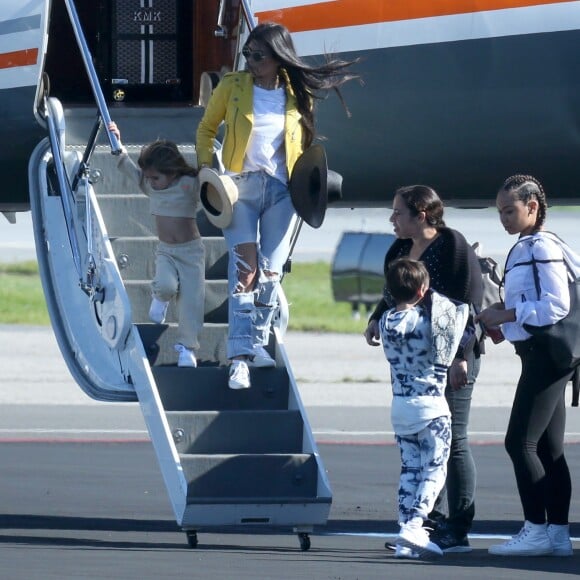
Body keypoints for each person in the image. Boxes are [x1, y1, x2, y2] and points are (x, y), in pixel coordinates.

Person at [196, 22, 359, 389]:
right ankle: (238, 358)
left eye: (258, 56)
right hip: (239, 189)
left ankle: (257, 341)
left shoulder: (296, 92)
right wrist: (207, 165)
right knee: (245, 272)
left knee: (270, 273)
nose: (250, 61)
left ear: (277, 57)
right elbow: (206, 129)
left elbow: (304, 142)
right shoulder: (232, 87)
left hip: (283, 191)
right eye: (247, 55)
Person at [364, 185, 483, 553]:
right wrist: (376, 318)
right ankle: (424, 522)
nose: (392, 219)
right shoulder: (400, 249)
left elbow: (469, 302)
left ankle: (457, 528)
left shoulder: (452, 246)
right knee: (423, 449)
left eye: (399, 213)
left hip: (454, 356)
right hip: (418, 358)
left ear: (422, 215)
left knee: (453, 441)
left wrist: (462, 355)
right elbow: (391, 292)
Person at [475, 174, 575, 557]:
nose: (503, 218)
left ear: (532, 207)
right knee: (549, 449)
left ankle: (536, 529)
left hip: (545, 357)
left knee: (519, 442)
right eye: (500, 211)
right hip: (548, 355)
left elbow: (555, 306)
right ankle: (557, 536)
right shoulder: (534, 245)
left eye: (510, 210)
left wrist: (507, 315)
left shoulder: (538, 247)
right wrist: (504, 316)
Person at [380, 258, 471, 559]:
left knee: (410, 470)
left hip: (401, 407)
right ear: (422, 291)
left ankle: (406, 528)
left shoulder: (385, 321)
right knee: (434, 469)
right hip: (431, 408)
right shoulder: (427, 321)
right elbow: (458, 315)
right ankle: (416, 524)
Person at [108, 121, 205, 368]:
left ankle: (187, 349)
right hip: (167, 251)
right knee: (164, 285)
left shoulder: (188, 184)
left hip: (191, 253)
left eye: (156, 177)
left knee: (191, 303)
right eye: (148, 177)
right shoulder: (152, 187)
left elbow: (212, 187)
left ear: (172, 171)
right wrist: (117, 142)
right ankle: (159, 299)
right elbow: (128, 168)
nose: (150, 182)